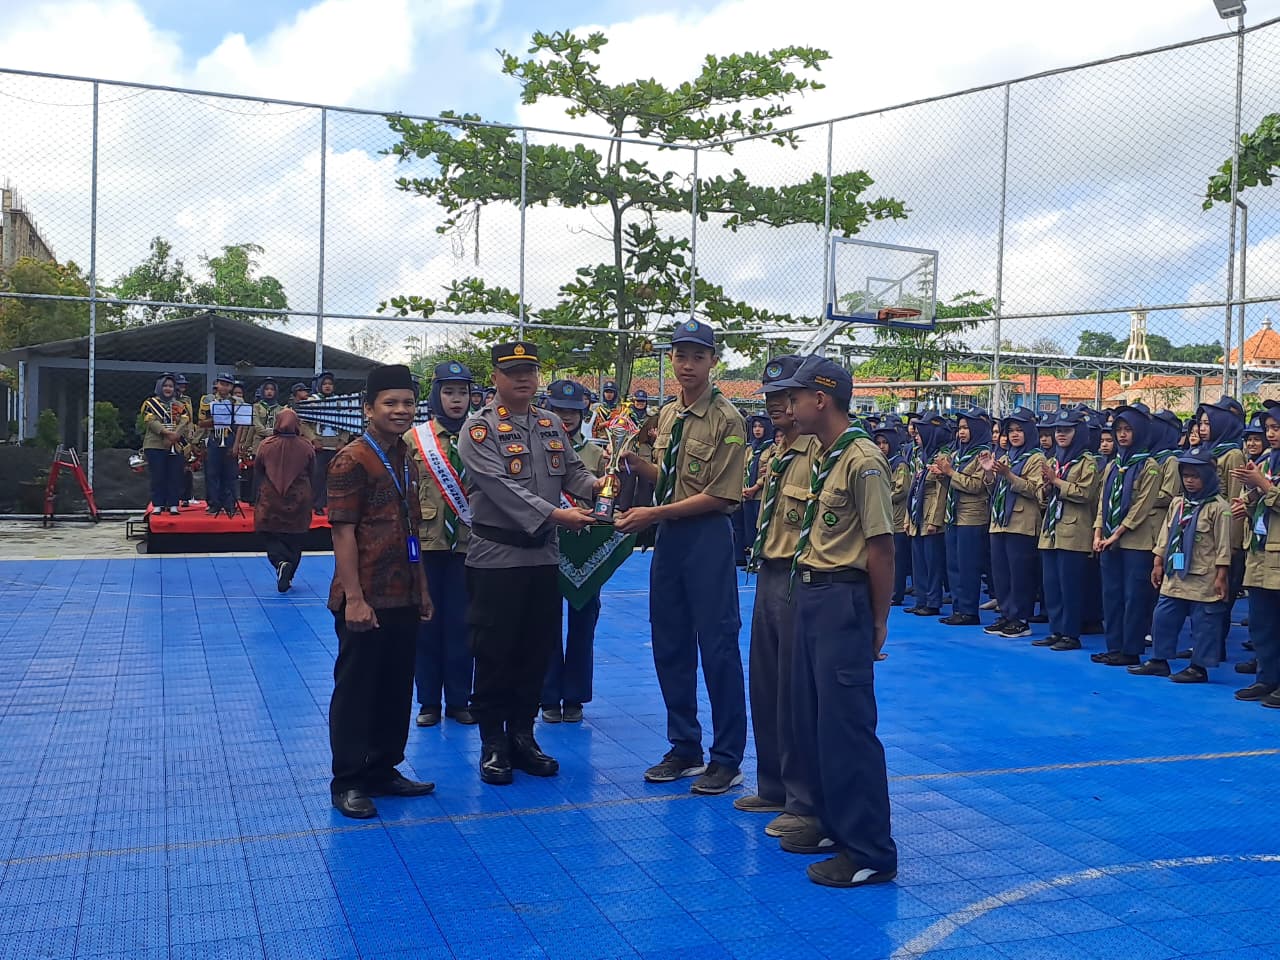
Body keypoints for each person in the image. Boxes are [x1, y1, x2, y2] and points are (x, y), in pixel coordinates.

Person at [765, 354, 897, 888]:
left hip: (842, 600)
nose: (788, 405)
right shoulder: (824, 454)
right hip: (809, 593)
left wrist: (877, 620)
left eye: (795, 397)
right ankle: (828, 824)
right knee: (811, 718)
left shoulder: (862, 460)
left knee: (846, 727)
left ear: (820, 400)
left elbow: (881, 548)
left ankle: (869, 851)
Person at [457, 343, 601, 786]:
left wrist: (599, 485)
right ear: (495, 378)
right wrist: (558, 515)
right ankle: (493, 743)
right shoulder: (478, 430)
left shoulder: (549, 423)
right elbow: (501, 488)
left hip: (542, 556)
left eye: (530, 371)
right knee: (495, 651)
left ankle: (523, 735)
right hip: (497, 558)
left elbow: (572, 472)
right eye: (513, 372)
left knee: (536, 650)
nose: (523, 378)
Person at [616, 319, 748, 795]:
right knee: (670, 642)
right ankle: (684, 746)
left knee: (717, 646)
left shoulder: (727, 419)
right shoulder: (669, 414)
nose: (687, 365)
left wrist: (652, 513)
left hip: (707, 537)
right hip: (671, 537)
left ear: (713, 361)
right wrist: (637, 465)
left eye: (697, 356)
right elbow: (674, 479)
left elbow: (721, 494)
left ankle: (727, 758)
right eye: (680, 355)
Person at [326, 364, 435, 820]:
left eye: (408, 402)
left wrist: (422, 589)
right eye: (390, 403)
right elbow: (342, 533)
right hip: (366, 596)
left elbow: (412, 530)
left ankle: (383, 769)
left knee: (395, 687)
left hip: (402, 594)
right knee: (357, 690)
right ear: (368, 408)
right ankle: (349, 780)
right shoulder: (352, 460)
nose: (401, 410)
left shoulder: (404, 457)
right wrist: (354, 598)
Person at [734, 356, 819, 835]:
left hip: (797, 575)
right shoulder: (776, 452)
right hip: (767, 571)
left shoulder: (819, 452)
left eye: (784, 395)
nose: (774, 405)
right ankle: (773, 785)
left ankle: (802, 797)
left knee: (794, 693)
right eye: (769, 397)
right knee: (765, 685)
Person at [408, 360, 477, 729]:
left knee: (463, 625)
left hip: (469, 545)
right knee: (426, 624)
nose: (456, 399)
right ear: (436, 396)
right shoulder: (414, 439)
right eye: (448, 392)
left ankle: (460, 700)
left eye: (462, 392)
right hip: (428, 545)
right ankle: (429, 702)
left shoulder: (480, 436)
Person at [1128, 450, 1231, 683]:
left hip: (1204, 576)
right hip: (1175, 571)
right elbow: (1166, 534)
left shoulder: (1218, 507)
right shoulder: (1179, 503)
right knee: (1163, 616)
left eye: (1195, 476)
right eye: (1186, 476)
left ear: (1208, 476)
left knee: (1204, 623)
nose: (1189, 481)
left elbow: (1223, 546)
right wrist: (1158, 562)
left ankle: (1198, 667)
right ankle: (1159, 660)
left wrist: (1221, 576)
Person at [540, 378, 607, 724]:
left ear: (583, 414)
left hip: (584, 547)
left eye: (573, 411)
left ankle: (575, 696)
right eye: (559, 410)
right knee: (546, 622)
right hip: (546, 545)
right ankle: (549, 696)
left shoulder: (597, 454)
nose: (566, 417)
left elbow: (607, 502)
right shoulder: (535, 448)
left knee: (583, 624)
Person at [1091, 405, 1166, 667]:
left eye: (1128, 430)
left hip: (1136, 542)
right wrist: (1098, 532)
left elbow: (1142, 507)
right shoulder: (1113, 465)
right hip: (1108, 540)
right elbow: (1103, 502)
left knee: (1134, 597)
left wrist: (1117, 533)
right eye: (1119, 430)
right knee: (1111, 595)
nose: (1122, 435)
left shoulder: (1150, 466)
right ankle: (1114, 646)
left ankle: (1131, 649)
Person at [1033, 407, 1101, 652]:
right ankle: (1056, 630)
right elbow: (1041, 497)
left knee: (1070, 587)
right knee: (1051, 586)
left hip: (1074, 533)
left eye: (1067, 430)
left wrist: (1056, 481)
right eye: (1058, 431)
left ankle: (1071, 634)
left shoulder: (1087, 462)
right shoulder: (1054, 461)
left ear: (1078, 432)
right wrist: (1045, 486)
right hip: (1051, 531)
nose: (1060, 435)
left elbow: (1085, 494)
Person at [980, 407, 1046, 639]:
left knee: (1020, 575)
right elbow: (993, 489)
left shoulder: (1036, 458)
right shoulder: (1007, 457)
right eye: (1011, 431)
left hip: (1021, 523)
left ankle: (1021, 619)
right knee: (1001, 573)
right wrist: (989, 473)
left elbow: (1036, 490)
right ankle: (1007, 614)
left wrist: (1009, 475)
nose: (1014, 435)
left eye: (1019, 430)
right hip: (999, 521)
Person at [1233, 407, 1280, 708]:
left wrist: (1263, 485)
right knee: (1262, 624)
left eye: (1277, 428)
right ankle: (1267, 678)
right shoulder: (1264, 462)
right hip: (1259, 551)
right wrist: (1247, 501)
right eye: (1269, 428)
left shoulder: (1265, 472)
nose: (1271, 434)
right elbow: (1257, 503)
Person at [932, 407, 992, 626]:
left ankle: (969, 611)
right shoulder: (958, 454)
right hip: (954, 515)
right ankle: (958, 608)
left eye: (966, 428)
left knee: (968, 567)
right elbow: (951, 482)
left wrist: (949, 472)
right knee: (954, 565)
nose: (962, 432)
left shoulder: (982, 455)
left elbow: (976, 485)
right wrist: (941, 474)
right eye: (960, 428)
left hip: (972, 517)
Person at [253, 407, 315, 592]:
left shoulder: (266, 445)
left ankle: (280, 562)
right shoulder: (306, 446)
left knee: (270, 534)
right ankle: (288, 574)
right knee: (296, 538)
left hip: (271, 498)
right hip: (299, 497)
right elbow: (313, 470)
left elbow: (258, 469)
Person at [905, 410, 949, 617]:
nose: (916, 436)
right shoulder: (920, 456)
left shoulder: (942, 457)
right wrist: (908, 519)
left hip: (930, 514)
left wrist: (935, 521)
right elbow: (913, 489)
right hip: (917, 512)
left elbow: (941, 492)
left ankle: (932, 601)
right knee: (919, 562)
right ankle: (921, 599)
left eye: (920, 433)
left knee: (932, 563)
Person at [140, 373, 190, 515]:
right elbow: (150, 421)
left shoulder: (180, 405)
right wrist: (166, 433)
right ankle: (158, 504)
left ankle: (173, 504)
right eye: (165, 386)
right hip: (155, 444)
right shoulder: (150, 403)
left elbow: (185, 420)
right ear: (159, 387)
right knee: (158, 476)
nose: (168, 388)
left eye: (171, 386)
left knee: (174, 475)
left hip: (176, 444)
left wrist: (175, 435)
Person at [874, 423, 912, 606]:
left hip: (897, 517)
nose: (881, 447)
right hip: (883, 516)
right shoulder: (878, 462)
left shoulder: (899, 463)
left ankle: (896, 593)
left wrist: (879, 498)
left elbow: (902, 489)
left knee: (897, 558)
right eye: (878, 443)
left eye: (885, 443)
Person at [197, 373, 243, 516]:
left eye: (228, 384)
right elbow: (201, 423)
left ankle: (230, 504)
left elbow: (241, 425)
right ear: (217, 384)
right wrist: (218, 419)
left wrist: (236, 444)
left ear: (231, 387)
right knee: (212, 473)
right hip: (214, 437)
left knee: (231, 473)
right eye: (222, 384)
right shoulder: (208, 400)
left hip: (230, 437)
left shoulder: (237, 402)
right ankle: (214, 504)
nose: (224, 387)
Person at [310, 371, 353, 515]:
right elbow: (303, 423)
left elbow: (347, 423)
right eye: (325, 384)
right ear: (319, 386)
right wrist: (313, 439)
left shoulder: (339, 402)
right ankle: (318, 504)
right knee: (318, 476)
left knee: (337, 477)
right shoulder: (312, 401)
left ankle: (336, 504)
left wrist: (343, 441)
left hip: (336, 446)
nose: (327, 386)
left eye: (330, 384)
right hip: (319, 446)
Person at [735, 414, 773, 566]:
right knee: (749, 528)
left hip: (760, 495)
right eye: (755, 426)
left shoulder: (772, 448)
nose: (757, 430)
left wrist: (755, 487)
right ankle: (752, 557)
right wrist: (744, 489)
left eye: (760, 427)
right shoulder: (749, 449)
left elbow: (769, 472)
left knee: (761, 527)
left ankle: (762, 559)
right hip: (747, 495)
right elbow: (743, 469)